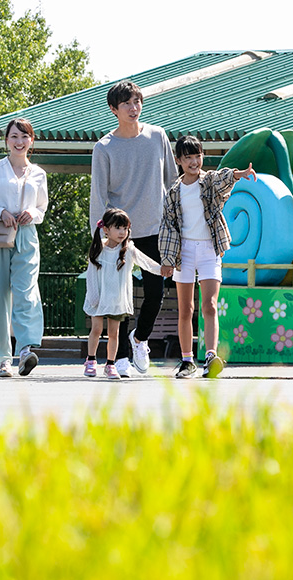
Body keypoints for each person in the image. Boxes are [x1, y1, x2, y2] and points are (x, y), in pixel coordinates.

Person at [89, 80, 178, 376]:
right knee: (119, 295)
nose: (133, 108)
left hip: (155, 227)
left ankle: (139, 339)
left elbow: (172, 181)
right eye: (126, 103)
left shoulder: (157, 136)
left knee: (156, 290)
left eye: (137, 101)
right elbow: (99, 194)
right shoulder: (104, 148)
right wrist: (99, 237)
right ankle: (121, 358)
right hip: (119, 233)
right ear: (113, 109)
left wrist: (177, 224)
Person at [158, 135, 254, 378]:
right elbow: (168, 226)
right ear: (178, 160)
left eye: (197, 156)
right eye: (188, 157)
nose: (194, 161)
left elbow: (222, 178)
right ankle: (187, 360)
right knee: (185, 309)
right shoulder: (174, 192)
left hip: (210, 248)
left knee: (210, 305)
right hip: (184, 252)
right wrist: (168, 259)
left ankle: (210, 356)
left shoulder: (208, 181)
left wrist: (238, 174)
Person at [0, 117, 49, 377]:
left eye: (24, 136)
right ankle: (1, 359)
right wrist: (1, 211)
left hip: (27, 236)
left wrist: (31, 212)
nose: (19, 142)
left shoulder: (39, 173)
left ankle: (25, 350)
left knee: (27, 292)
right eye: (14, 136)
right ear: (6, 140)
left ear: (31, 140)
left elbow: (41, 207)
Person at [83, 208, 163, 379]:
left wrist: (161, 270)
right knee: (96, 329)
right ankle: (91, 360)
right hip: (98, 298)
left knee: (114, 333)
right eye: (117, 228)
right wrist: (93, 297)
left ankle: (110, 363)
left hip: (117, 300)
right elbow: (91, 275)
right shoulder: (98, 249)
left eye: (125, 228)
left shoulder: (129, 250)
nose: (122, 232)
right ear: (106, 229)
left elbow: (146, 263)